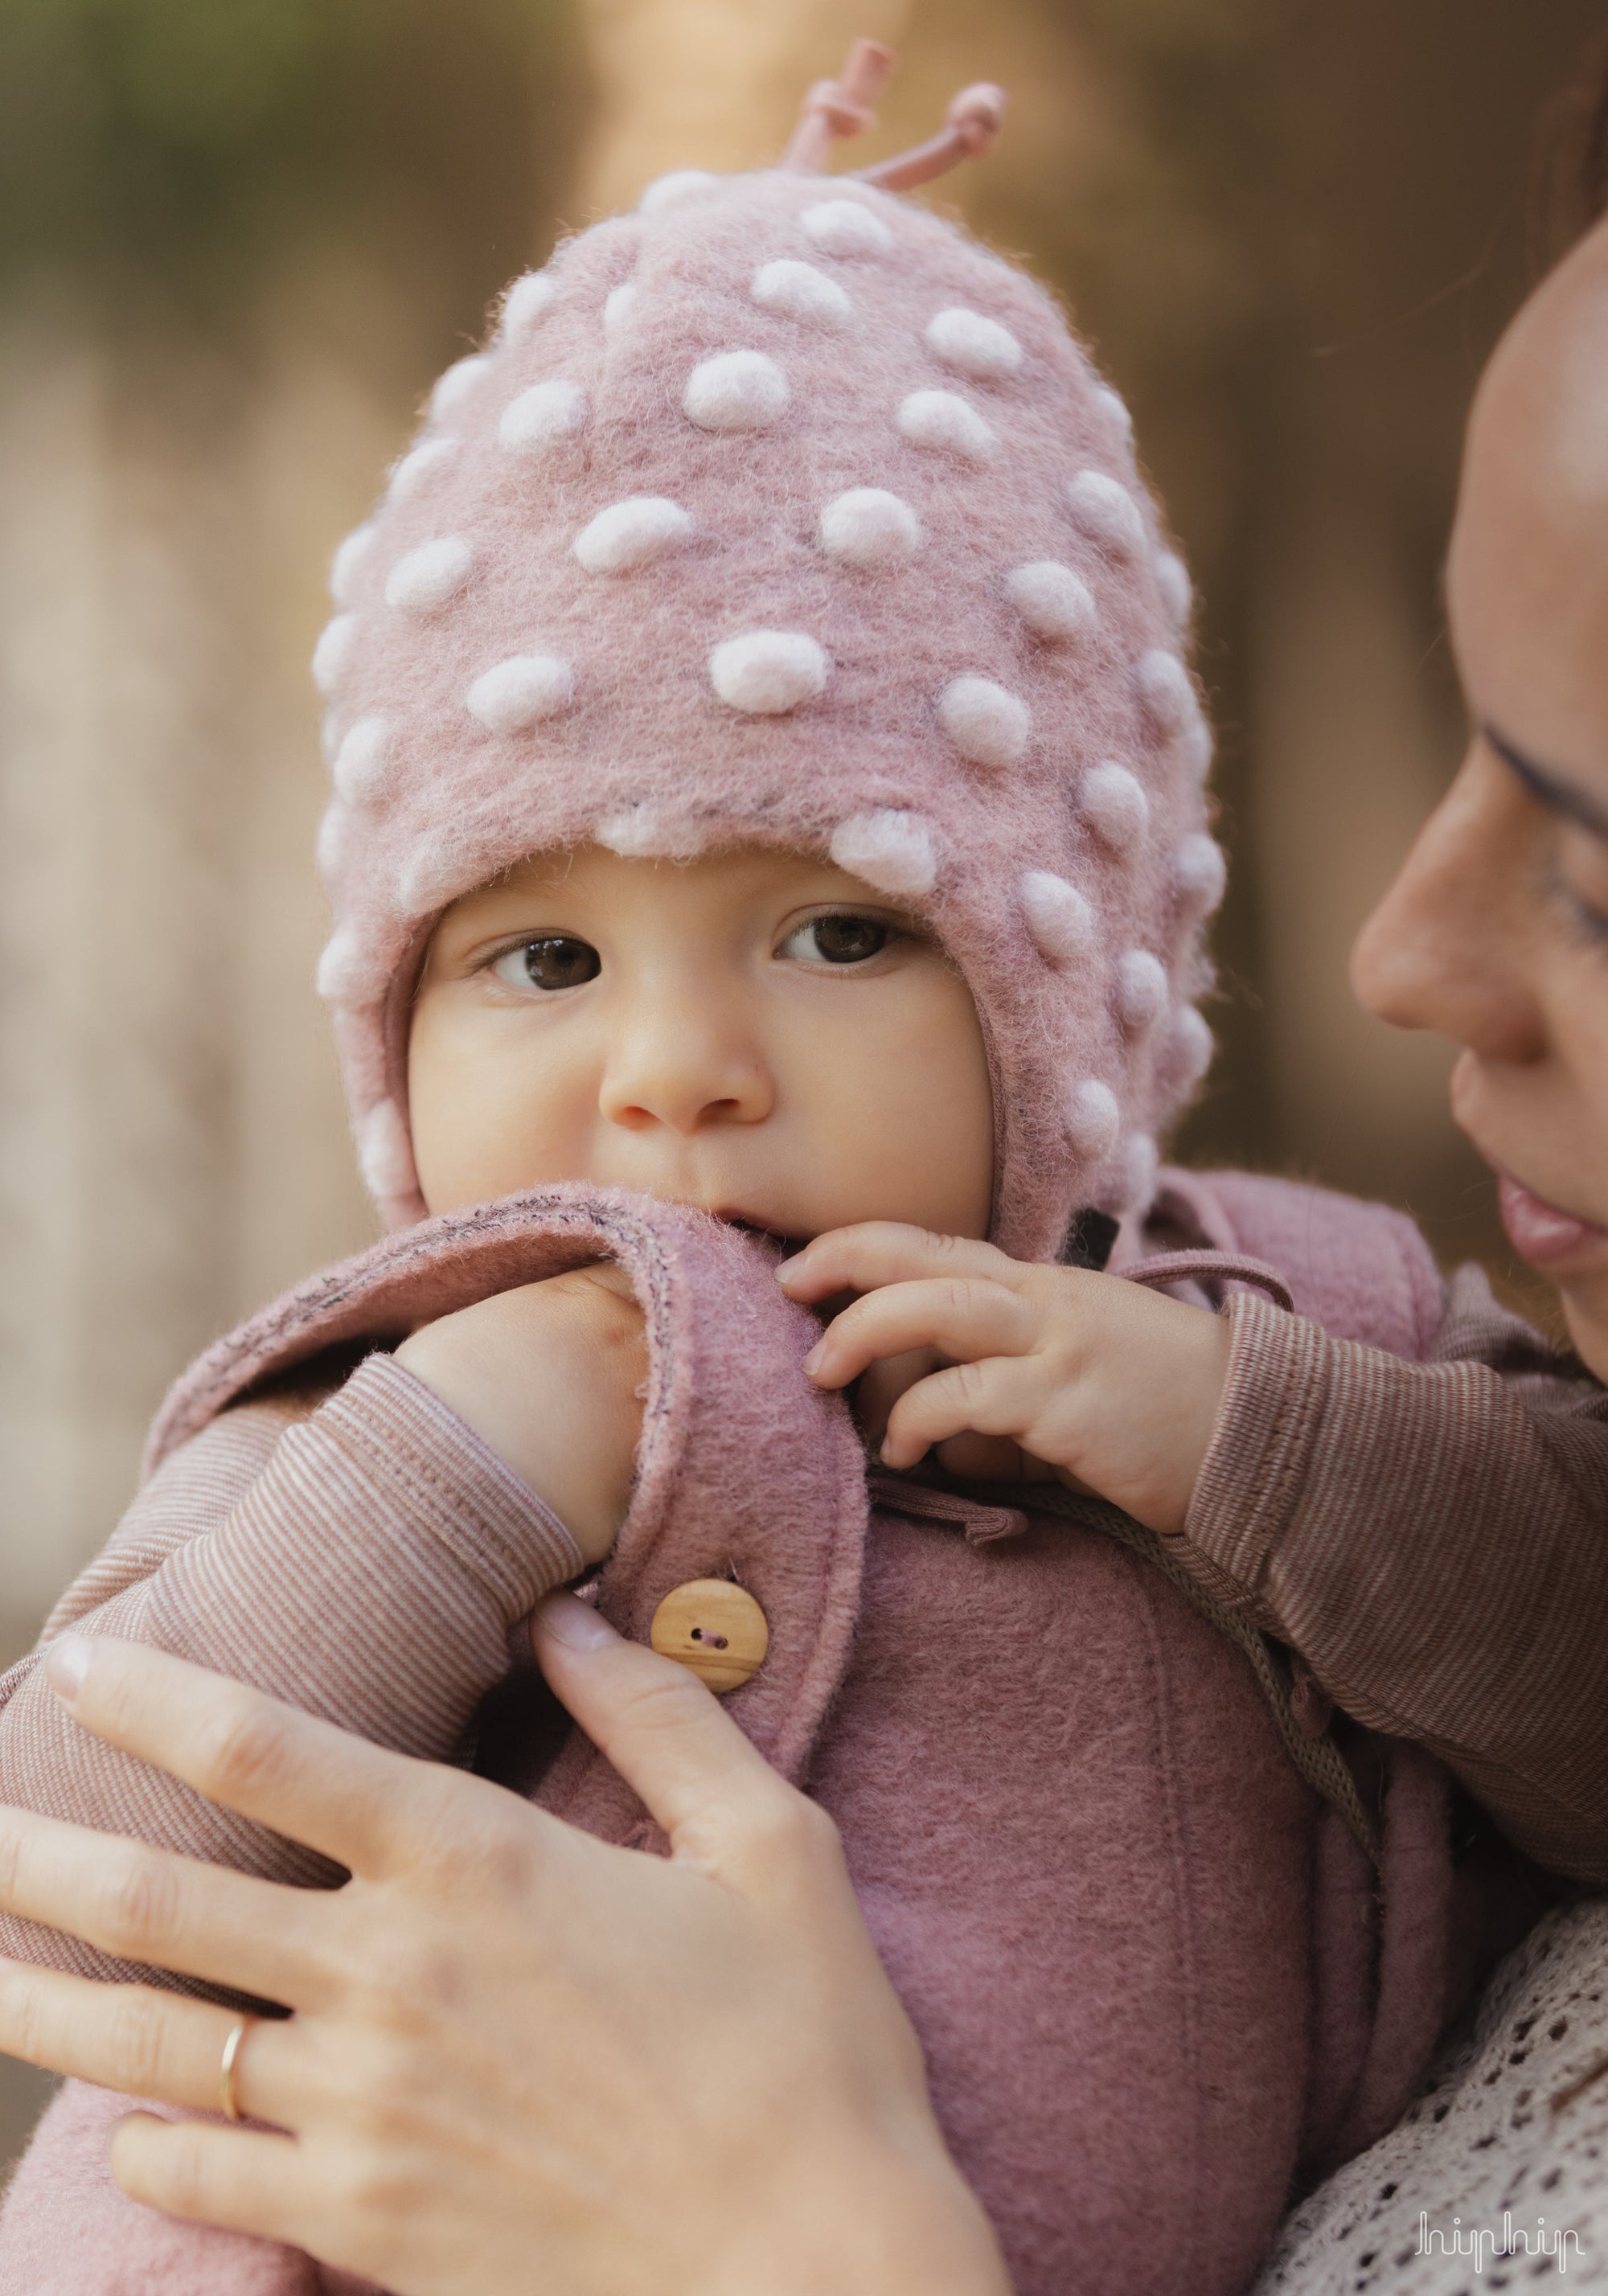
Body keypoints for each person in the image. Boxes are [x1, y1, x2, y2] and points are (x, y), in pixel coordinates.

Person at [0, 36, 1605, 2296]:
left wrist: (1244, 1440)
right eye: (540, 957)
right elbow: (73, 1851)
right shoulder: (384, 1408)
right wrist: (468, 1462)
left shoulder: (1273, 1336)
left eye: (842, 933)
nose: (677, 1078)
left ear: (1069, 988)